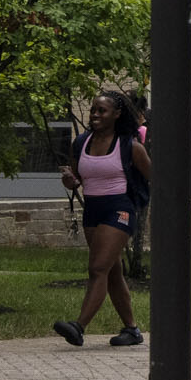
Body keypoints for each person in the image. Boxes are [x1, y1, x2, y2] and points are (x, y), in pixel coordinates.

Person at [51, 91, 148, 348]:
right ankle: (132, 329)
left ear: (117, 114)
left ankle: (78, 326)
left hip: (120, 208)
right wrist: (70, 181)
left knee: (97, 268)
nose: (95, 115)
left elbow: (155, 179)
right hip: (93, 210)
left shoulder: (130, 146)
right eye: (93, 110)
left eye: (101, 111)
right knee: (112, 272)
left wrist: (181, 212)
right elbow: (78, 179)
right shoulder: (81, 143)